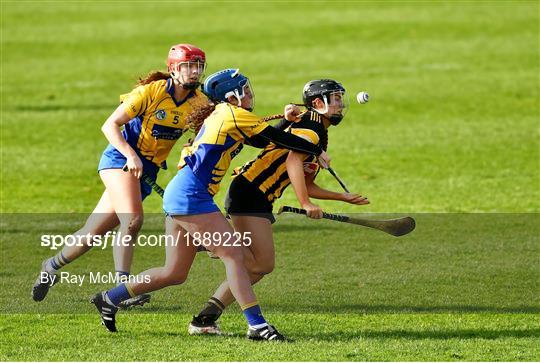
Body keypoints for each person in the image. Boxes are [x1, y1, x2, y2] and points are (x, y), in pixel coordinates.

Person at [90, 69, 331, 341]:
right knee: (235, 255)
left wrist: (285, 122)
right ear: (231, 96)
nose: (251, 94)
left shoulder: (225, 114)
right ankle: (257, 325)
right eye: (246, 90)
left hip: (182, 195)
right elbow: (280, 141)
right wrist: (316, 149)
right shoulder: (233, 113)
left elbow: (262, 140)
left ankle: (109, 298)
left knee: (175, 272)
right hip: (191, 197)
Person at [31, 44, 209, 309]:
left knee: (92, 233)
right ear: (173, 69)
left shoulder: (199, 103)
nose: (194, 73)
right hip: (120, 159)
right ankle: (120, 289)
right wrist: (130, 155)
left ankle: (50, 266)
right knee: (133, 220)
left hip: (146, 169)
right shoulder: (151, 92)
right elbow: (110, 125)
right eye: (188, 67)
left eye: (198, 67)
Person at [188, 79, 369, 335]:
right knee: (259, 264)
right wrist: (305, 203)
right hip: (251, 191)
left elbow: (306, 180)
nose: (341, 104)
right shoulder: (312, 128)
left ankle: (205, 319)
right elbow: (293, 161)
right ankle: (210, 240)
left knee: (256, 267)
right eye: (336, 98)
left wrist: (341, 197)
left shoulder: (318, 129)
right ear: (318, 103)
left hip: (257, 194)